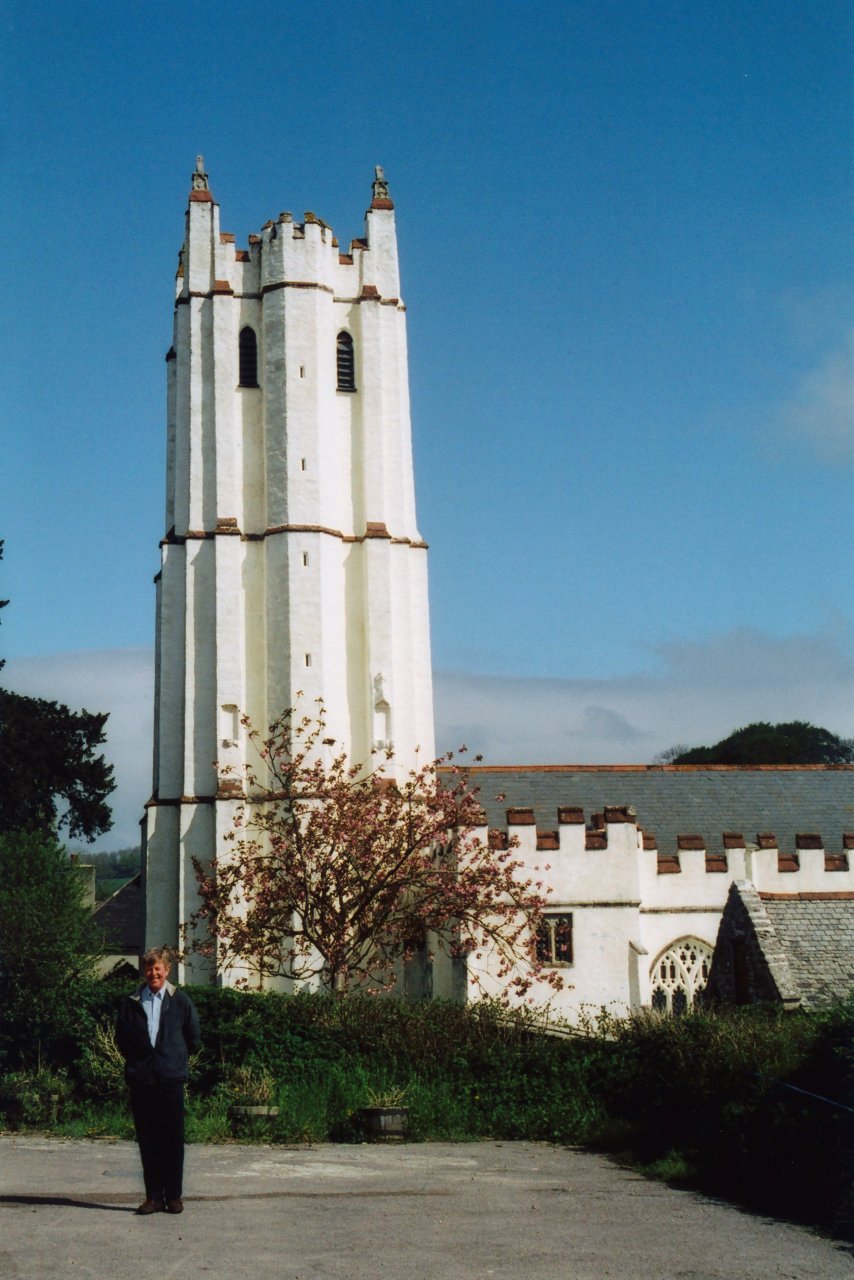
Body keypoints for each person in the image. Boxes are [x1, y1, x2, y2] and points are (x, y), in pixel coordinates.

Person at [115, 947, 201, 1216]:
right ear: (144, 971)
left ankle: (173, 1196)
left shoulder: (181, 1001)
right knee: (148, 1138)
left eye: (158, 968)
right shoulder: (132, 1001)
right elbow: (122, 1038)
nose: (153, 973)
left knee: (173, 1138)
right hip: (142, 1079)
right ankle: (153, 1197)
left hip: (171, 1078)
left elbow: (193, 1038)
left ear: (167, 970)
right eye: (149, 968)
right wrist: (139, 1062)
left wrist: (172, 1059)